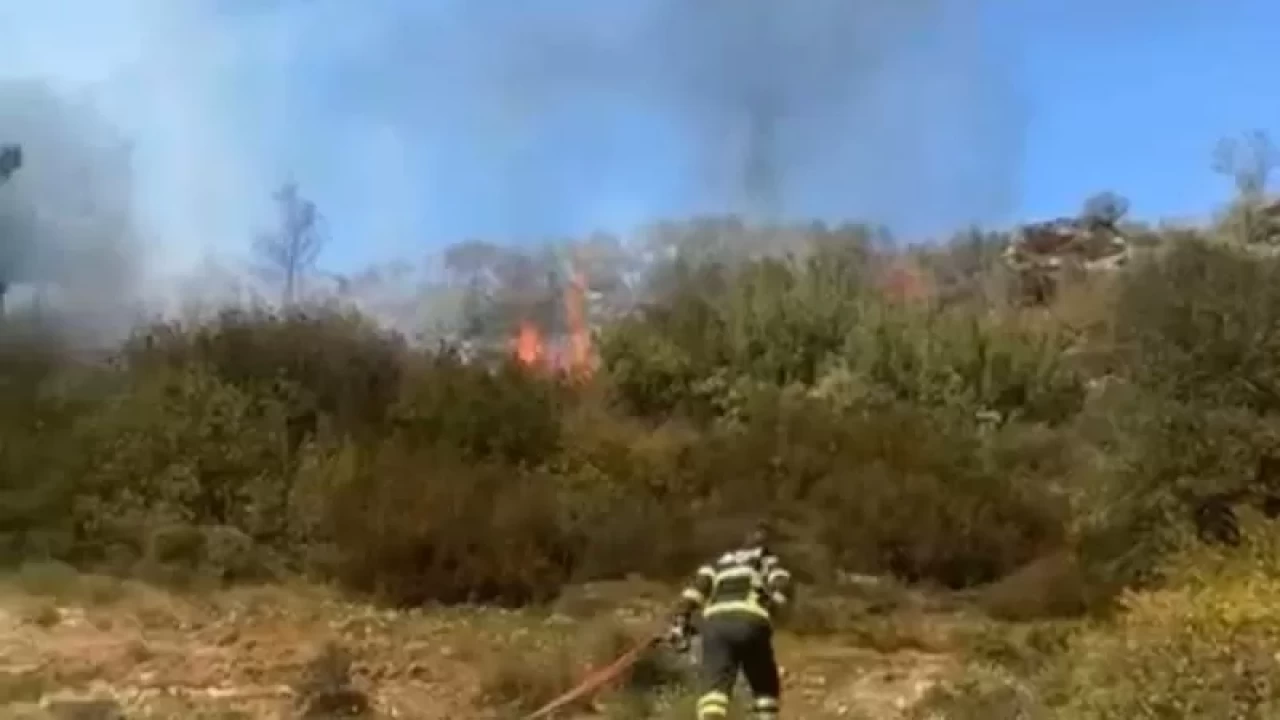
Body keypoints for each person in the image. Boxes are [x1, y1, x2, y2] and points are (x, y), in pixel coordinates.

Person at [667, 521, 793, 719]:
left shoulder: (716, 564)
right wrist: (773, 602)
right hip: (751, 623)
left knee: (714, 690)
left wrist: (679, 623)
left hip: (716, 626)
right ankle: (767, 714)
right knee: (764, 685)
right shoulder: (766, 559)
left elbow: (693, 593)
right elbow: (781, 583)